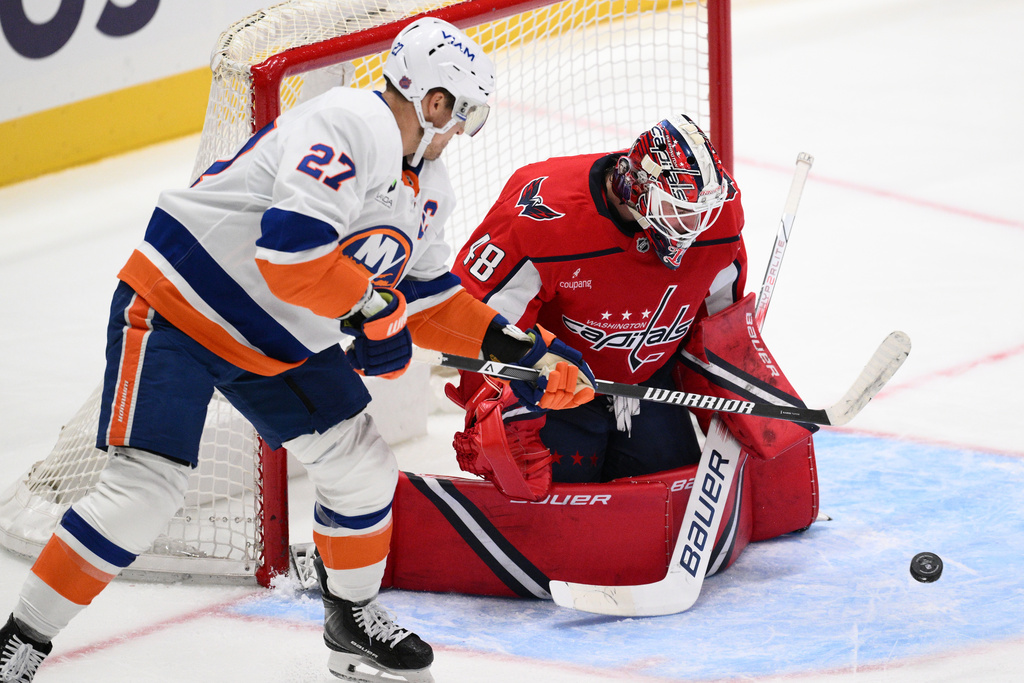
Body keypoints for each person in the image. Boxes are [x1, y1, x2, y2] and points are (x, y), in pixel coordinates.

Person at [0, 18, 595, 683]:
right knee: (144, 490)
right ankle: (20, 641)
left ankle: (351, 624)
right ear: (435, 101)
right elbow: (290, 255)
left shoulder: (429, 189)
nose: (463, 130)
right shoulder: (348, 123)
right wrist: (372, 308)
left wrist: (524, 353)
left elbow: (428, 301)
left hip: (277, 338)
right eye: (466, 113)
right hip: (183, 303)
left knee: (361, 466)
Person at [448, 113, 747, 491]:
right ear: (635, 186)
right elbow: (475, 315)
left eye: (702, 211)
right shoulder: (540, 214)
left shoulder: (717, 217)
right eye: (679, 210)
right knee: (550, 511)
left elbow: (722, 324)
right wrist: (493, 406)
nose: (696, 226)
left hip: (650, 382)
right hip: (555, 389)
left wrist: (731, 394)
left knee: (673, 494)